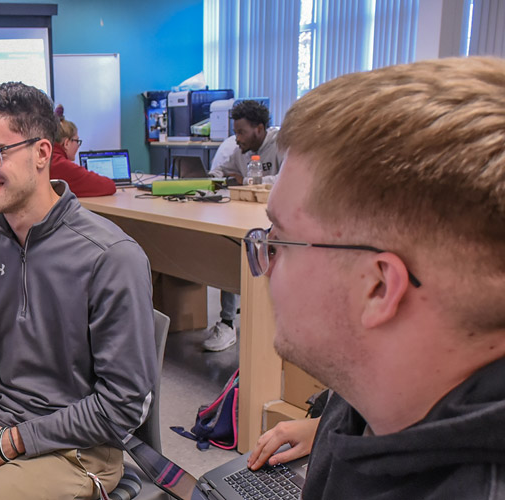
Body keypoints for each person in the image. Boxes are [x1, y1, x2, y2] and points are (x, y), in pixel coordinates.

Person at [242, 57, 505, 498]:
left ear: (378, 287)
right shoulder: (372, 396)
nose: (265, 262)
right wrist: (319, 424)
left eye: (280, 240)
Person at [0, 82, 155, 499]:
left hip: (77, 451)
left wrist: (9, 442)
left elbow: (121, 406)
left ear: (41, 153)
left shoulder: (110, 257)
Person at [203, 100, 282, 352]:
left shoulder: (282, 144)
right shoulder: (240, 152)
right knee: (228, 250)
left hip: (279, 225)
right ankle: (227, 323)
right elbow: (221, 173)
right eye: (235, 131)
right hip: (246, 222)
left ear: (259, 128)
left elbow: (289, 177)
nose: (237, 138)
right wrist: (220, 178)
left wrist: (246, 180)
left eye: (241, 132)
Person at [49, 105, 116, 197]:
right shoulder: (61, 166)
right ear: (67, 143)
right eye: (77, 141)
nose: (78, 146)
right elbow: (109, 186)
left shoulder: (44, 158)